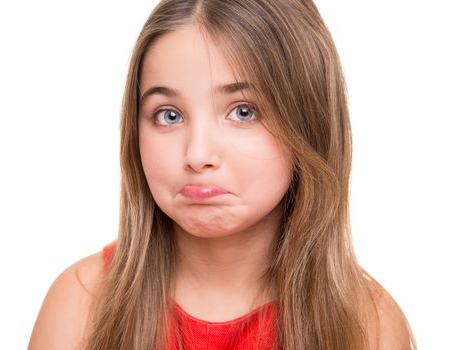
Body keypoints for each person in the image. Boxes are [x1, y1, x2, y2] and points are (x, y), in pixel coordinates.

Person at [28, 0, 417, 349]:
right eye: (169, 115)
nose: (197, 155)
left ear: (309, 122)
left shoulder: (368, 325)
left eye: (243, 111)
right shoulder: (82, 304)